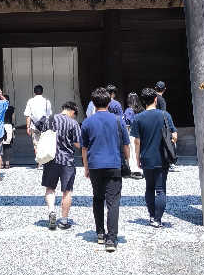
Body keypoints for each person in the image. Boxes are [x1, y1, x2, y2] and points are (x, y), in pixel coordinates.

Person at [80, 86, 129, 253]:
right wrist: (127, 160)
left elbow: (84, 148)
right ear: (110, 102)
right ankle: (111, 238)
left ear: (93, 103)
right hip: (114, 164)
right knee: (113, 202)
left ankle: (100, 233)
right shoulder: (117, 120)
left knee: (97, 198)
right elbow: (126, 145)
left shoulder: (87, 122)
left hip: (94, 165)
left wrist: (86, 167)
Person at [131, 86, 177, 228]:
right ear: (156, 99)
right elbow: (174, 136)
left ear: (143, 102)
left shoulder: (138, 118)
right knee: (161, 189)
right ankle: (158, 219)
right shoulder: (165, 115)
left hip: (146, 157)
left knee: (149, 188)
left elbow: (137, 141)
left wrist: (137, 158)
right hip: (162, 157)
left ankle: (151, 216)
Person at [43, 101, 82, 230]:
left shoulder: (50, 119)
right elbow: (78, 144)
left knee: (50, 188)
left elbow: (42, 135)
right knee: (67, 191)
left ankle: (51, 211)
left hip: (50, 159)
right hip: (67, 161)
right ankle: (64, 221)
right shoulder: (73, 123)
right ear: (72, 111)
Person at [24, 84, 52, 156]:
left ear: (34, 92)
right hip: (44, 126)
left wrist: (28, 127)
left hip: (34, 126)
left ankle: (39, 163)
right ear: (42, 92)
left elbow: (28, 115)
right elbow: (49, 115)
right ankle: (44, 162)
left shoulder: (30, 101)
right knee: (44, 144)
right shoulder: (47, 101)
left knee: (36, 144)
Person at [124, 92, 143, 178]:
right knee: (139, 150)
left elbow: (127, 123)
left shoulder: (128, 111)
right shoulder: (141, 109)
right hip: (141, 132)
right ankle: (140, 166)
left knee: (132, 150)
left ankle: (134, 168)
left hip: (131, 132)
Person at [2, 96, 15, 168]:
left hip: (1, 126)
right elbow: (13, 118)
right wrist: (13, 126)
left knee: (0, 145)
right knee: (8, 145)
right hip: (9, 126)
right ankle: (7, 163)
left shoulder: (0, 108)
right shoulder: (11, 108)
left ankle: (1, 163)